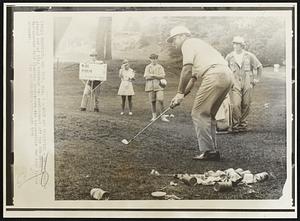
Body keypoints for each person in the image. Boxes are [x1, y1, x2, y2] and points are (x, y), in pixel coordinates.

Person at [167, 26, 233, 161]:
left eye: (174, 40)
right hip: (227, 75)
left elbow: (186, 69)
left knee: (198, 113)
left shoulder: (188, 44)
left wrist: (179, 92)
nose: (173, 44)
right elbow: (192, 78)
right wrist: (179, 96)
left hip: (215, 75)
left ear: (182, 36)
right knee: (209, 114)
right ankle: (212, 150)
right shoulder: (200, 44)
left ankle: (208, 151)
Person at [225, 36, 263, 132]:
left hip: (247, 81)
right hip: (235, 81)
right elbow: (225, 70)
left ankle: (243, 124)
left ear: (242, 45)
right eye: (234, 43)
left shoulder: (249, 55)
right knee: (236, 104)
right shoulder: (229, 56)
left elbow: (259, 66)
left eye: (237, 44)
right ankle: (236, 124)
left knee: (246, 103)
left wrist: (256, 79)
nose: (235, 45)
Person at [144, 53, 169, 122]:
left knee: (160, 100)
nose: (154, 60)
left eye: (155, 59)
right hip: (150, 86)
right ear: (150, 59)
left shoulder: (160, 67)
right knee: (152, 101)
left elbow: (163, 76)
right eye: (152, 59)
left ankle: (163, 116)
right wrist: (156, 76)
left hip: (159, 86)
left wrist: (153, 75)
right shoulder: (148, 67)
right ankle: (154, 116)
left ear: (157, 59)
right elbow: (146, 77)